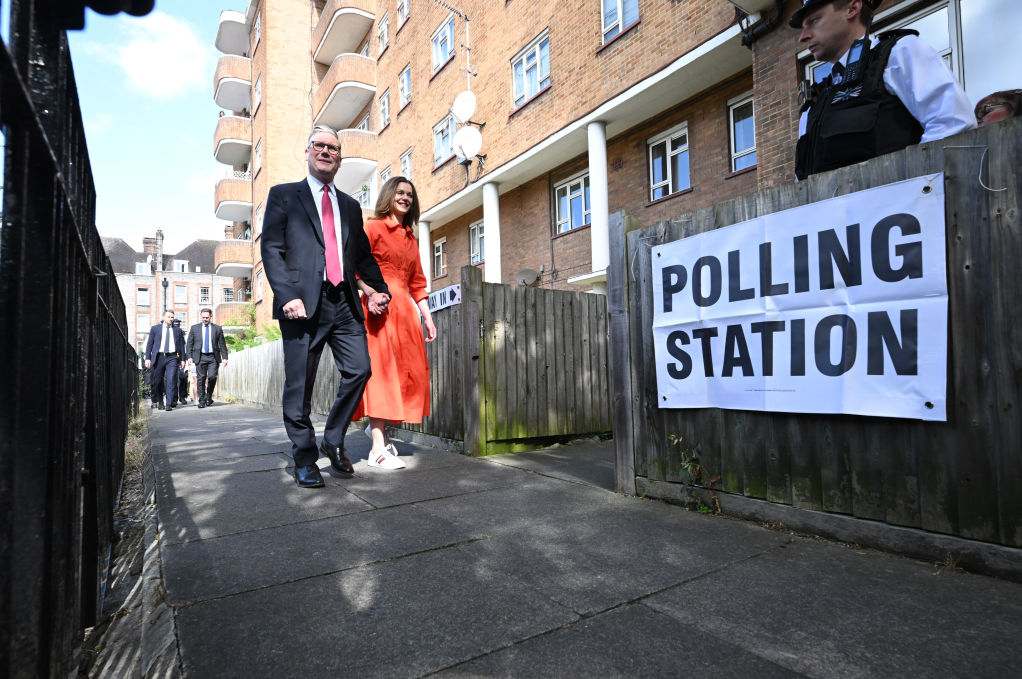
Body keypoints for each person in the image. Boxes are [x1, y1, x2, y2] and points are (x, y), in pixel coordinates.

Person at [260, 125, 392, 488]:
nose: (325, 152)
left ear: (339, 158)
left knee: (360, 370)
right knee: (300, 386)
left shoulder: (349, 206)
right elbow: (272, 249)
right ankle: (305, 458)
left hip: (344, 302)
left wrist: (379, 291)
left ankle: (332, 440)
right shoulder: (284, 196)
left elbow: (362, 256)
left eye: (332, 148)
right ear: (307, 152)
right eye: (318, 145)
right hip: (302, 304)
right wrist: (287, 295)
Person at [792, 0, 975, 180]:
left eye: (814, 21)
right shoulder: (815, 100)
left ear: (852, 8)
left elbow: (953, 126)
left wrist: (905, 191)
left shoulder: (898, 53)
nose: (803, 36)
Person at [353, 177, 437, 470]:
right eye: (400, 193)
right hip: (379, 307)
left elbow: (417, 283)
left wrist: (427, 316)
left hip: (405, 311)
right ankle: (377, 449)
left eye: (410, 195)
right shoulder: (373, 227)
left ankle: (378, 430)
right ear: (389, 195)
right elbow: (355, 266)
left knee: (406, 374)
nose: (405, 198)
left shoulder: (411, 237)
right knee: (383, 374)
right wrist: (372, 293)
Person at [186, 308, 229, 408]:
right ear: (201, 316)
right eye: (203, 317)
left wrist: (225, 358)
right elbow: (189, 344)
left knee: (212, 377)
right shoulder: (194, 328)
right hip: (200, 357)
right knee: (201, 378)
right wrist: (189, 357)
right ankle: (202, 400)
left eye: (207, 317)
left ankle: (208, 396)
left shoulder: (217, 328)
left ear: (211, 317)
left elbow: (222, 344)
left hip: (213, 357)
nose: (205, 319)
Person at [143, 310, 185, 411]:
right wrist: (147, 358)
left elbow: (181, 346)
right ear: (163, 317)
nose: (171, 319)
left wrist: (183, 359)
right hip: (159, 357)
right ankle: (160, 401)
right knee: (157, 381)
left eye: (172, 317)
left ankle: (168, 404)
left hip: (172, 357)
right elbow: (150, 344)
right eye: (169, 317)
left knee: (171, 380)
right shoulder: (155, 329)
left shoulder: (177, 330)